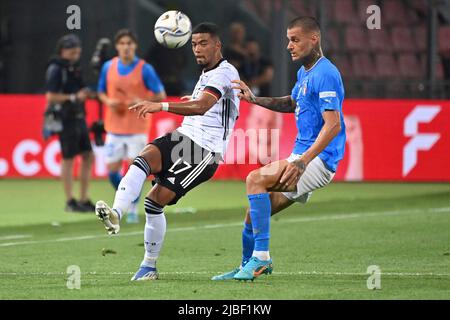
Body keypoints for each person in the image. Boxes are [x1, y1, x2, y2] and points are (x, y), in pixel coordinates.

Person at [94, 23, 240, 281]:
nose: (197, 49)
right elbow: (203, 103)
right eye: (194, 44)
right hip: (184, 136)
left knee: (154, 201)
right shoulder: (208, 73)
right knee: (142, 159)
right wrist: (189, 100)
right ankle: (116, 214)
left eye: (203, 43)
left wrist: (160, 105)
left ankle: (149, 265)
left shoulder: (224, 72)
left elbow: (203, 106)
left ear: (218, 45)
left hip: (205, 149)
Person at [213, 16, 346, 281]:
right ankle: (246, 265)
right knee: (255, 211)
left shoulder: (326, 73)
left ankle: (262, 259)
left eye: (295, 40)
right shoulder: (305, 73)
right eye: (288, 40)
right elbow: (291, 103)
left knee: (254, 179)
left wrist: (303, 161)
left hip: (318, 158)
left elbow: (333, 125)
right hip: (303, 155)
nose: (289, 46)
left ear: (314, 39)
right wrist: (254, 99)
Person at [97, 29, 167, 223]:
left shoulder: (145, 69)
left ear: (135, 46)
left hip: (137, 126)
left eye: (129, 43)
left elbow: (160, 94)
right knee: (112, 170)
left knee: (134, 170)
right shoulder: (107, 67)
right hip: (114, 126)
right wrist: (108, 101)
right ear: (117, 46)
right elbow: (101, 91)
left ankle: (132, 208)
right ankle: (126, 199)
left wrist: (143, 99)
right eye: (122, 43)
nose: (126, 47)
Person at [45, 34, 95, 213]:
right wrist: (74, 97)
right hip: (65, 118)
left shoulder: (73, 67)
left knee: (88, 155)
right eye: (72, 52)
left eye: (77, 52)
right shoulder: (56, 68)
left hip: (78, 116)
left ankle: (83, 198)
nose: (75, 55)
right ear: (62, 51)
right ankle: (70, 201)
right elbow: (51, 96)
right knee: (68, 158)